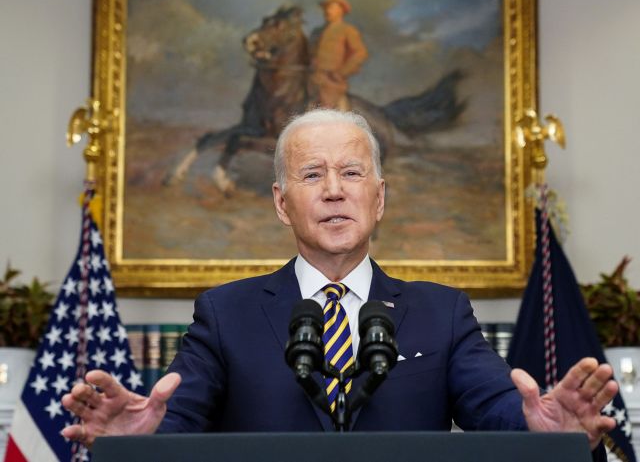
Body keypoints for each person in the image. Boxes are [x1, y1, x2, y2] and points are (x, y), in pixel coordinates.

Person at [62, 109, 617, 454]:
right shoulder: (225, 313)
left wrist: (550, 431)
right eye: (311, 175)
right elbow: (177, 416)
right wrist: (140, 442)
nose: (333, 190)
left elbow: (498, 410)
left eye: (351, 173)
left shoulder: (441, 312)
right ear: (282, 203)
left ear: (379, 197)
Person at [308, 0, 368, 110]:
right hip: (311, 82)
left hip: (332, 84)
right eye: (325, 8)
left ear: (341, 10)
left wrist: (341, 72)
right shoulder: (316, 32)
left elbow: (360, 53)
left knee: (327, 114)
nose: (327, 11)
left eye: (331, 7)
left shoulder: (347, 30)